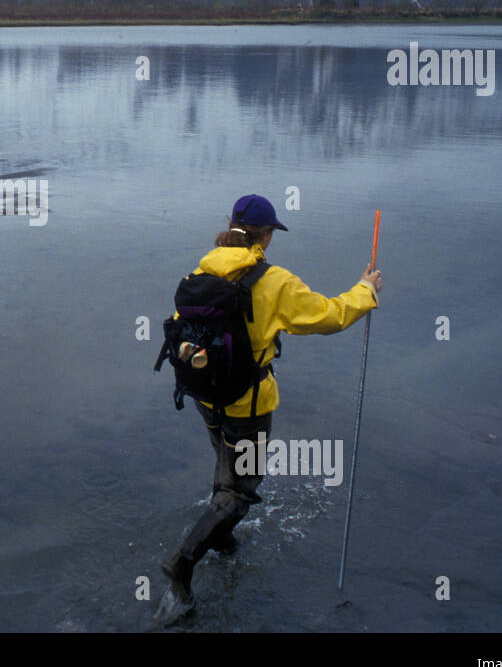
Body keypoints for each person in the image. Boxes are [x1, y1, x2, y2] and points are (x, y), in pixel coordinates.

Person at [161, 193, 383, 608]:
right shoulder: (273, 281)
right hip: (247, 400)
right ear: (264, 238)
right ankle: (183, 560)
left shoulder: (200, 272)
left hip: (204, 393)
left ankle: (221, 538)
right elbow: (329, 316)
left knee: (225, 462)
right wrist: (366, 291)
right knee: (243, 490)